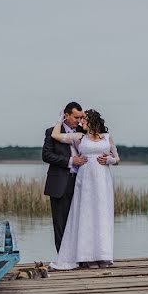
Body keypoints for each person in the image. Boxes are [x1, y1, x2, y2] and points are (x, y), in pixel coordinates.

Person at [48, 108, 120, 270]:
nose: (81, 122)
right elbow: (55, 135)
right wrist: (60, 119)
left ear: (92, 122)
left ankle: (103, 255)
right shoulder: (80, 137)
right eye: (81, 120)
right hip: (85, 181)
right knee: (86, 216)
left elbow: (117, 158)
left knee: (102, 215)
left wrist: (109, 160)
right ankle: (87, 257)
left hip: (102, 181)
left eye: (84, 120)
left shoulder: (107, 137)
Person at [43, 102, 87, 252]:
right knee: (60, 222)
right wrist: (70, 161)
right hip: (60, 182)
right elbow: (46, 155)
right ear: (66, 115)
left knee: (80, 221)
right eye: (76, 117)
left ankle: (80, 256)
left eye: (81, 117)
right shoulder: (51, 131)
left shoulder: (86, 131)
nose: (79, 120)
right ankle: (62, 258)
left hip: (82, 182)